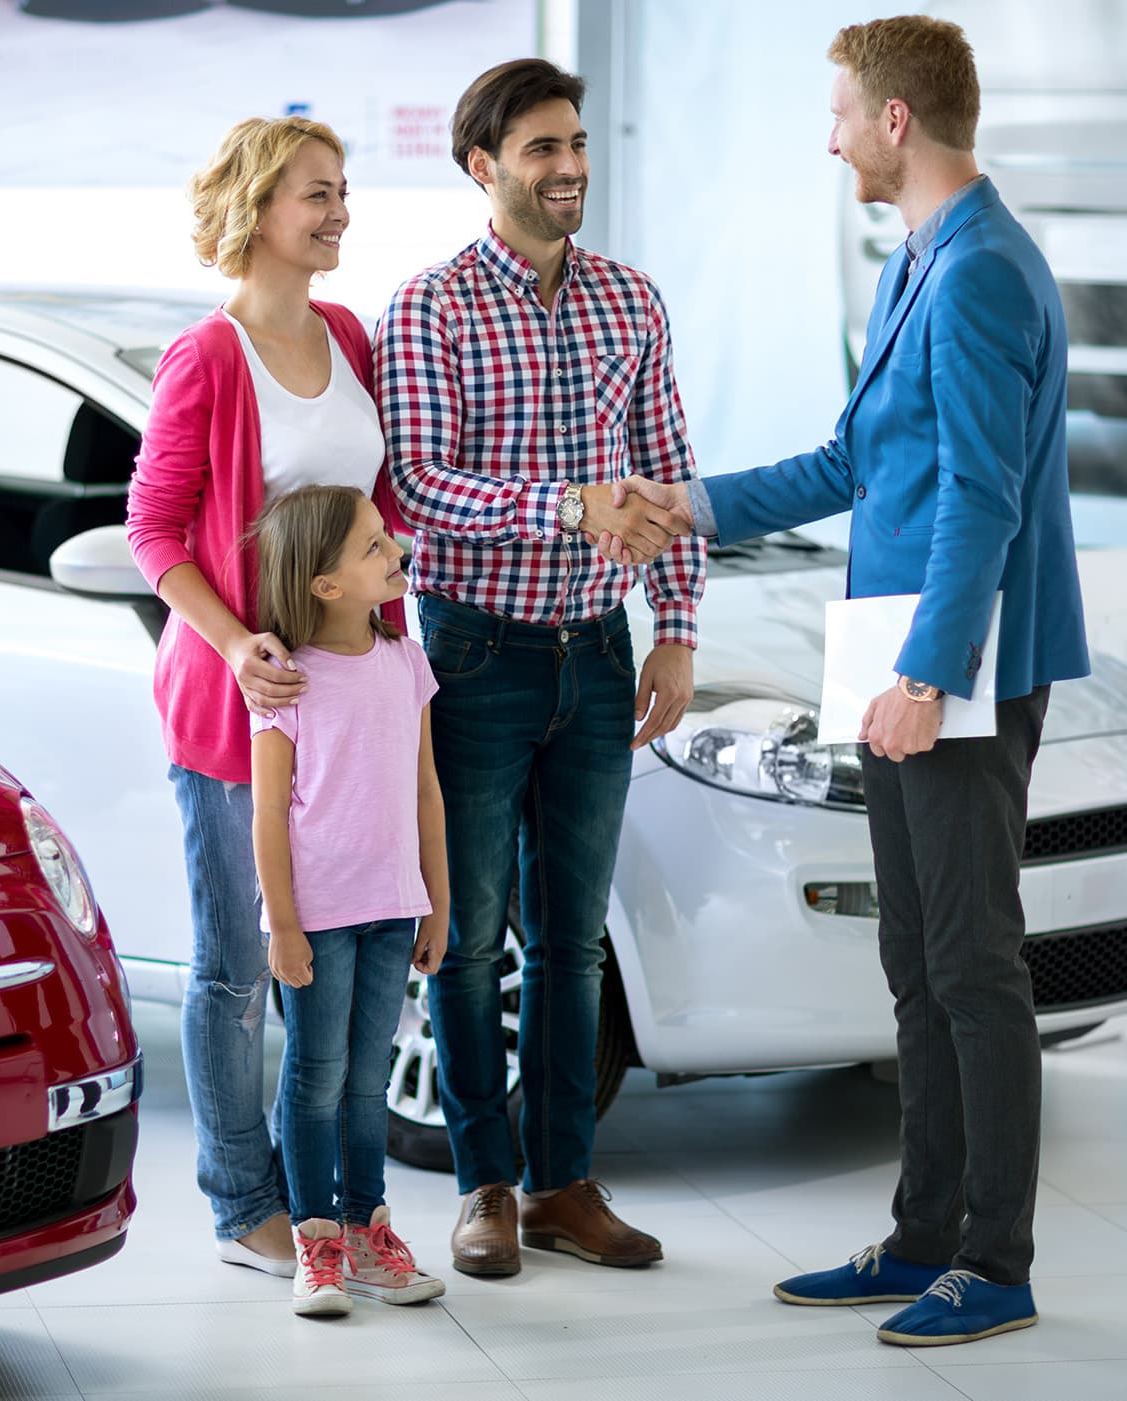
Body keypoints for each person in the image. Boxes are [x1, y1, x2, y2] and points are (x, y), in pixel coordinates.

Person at [601, 15, 1089, 1347]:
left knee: (974, 965)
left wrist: (930, 675)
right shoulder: (919, 265)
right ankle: (925, 1232)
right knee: (915, 960)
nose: (824, 137)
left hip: (957, 663)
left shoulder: (984, 270)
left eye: (837, 113)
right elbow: (853, 463)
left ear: (892, 121)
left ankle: (995, 1260)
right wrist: (678, 501)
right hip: (897, 647)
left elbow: (981, 500)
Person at [374, 57, 706, 1278]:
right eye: (540, 151)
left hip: (599, 657)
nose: (569, 168)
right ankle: (484, 1188)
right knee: (467, 941)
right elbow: (419, 492)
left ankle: (566, 1182)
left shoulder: (632, 300)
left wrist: (674, 624)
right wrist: (566, 509)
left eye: (576, 144)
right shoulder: (432, 308)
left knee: (572, 943)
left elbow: (667, 469)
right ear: (483, 168)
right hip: (474, 654)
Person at [126, 116, 408, 1277]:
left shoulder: (346, 332)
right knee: (241, 965)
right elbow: (152, 531)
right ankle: (242, 1196)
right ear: (256, 208)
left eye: (343, 192)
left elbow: (376, 511)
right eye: (315, 195)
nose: (339, 212)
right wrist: (240, 643)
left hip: (346, 703)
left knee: (333, 957)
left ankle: (323, 1202)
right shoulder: (206, 356)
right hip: (240, 703)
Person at [247, 484, 450, 1317]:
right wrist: (284, 922)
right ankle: (317, 1239)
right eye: (373, 545)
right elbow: (267, 813)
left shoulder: (407, 662)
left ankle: (369, 1231)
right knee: (314, 1075)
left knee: (368, 1078)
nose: (394, 547)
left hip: (391, 904)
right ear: (325, 586)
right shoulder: (285, 683)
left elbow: (428, 792)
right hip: (319, 917)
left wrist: (436, 903)